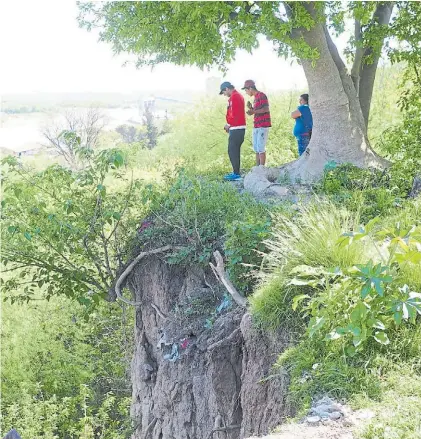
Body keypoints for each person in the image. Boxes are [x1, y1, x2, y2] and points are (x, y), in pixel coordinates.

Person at [219, 81, 246, 181]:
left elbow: (234, 113)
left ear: (226, 88)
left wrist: (228, 124)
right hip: (236, 128)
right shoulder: (235, 96)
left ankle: (236, 174)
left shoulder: (235, 97)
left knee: (232, 151)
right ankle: (236, 172)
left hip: (237, 128)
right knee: (234, 151)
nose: (224, 95)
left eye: (224, 92)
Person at [242, 79, 271, 166]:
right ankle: (257, 167)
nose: (246, 92)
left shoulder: (261, 95)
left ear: (250, 88)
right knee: (256, 148)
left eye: (246, 90)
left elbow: (266, 109)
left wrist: (253, 111)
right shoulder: (255, 98)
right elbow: (258, 111)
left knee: (261, 148)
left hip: (263, 125)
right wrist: (251, 109)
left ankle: (261, 168)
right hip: (257, 125)